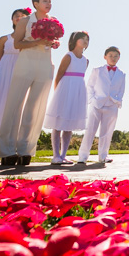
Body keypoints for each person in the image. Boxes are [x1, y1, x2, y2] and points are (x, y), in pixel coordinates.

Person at [0, 0, 56, 166]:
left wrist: (52, 43)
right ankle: (6, 150)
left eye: (50, 1)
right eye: (45, 1)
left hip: (44, 64)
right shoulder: (25, 21)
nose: (49, 4)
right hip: (25, 64)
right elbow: (17, 44)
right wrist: (38, 42)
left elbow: (49, 42)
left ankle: (26, 149)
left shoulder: (53, 21)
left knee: (35, 108)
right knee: (14, 106)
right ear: (35, 3)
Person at [0, 8, 29, 162]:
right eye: (16, 16)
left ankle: (2, 151)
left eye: (23, 16)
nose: (19, 18)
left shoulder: (29, 40)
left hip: (19, 77)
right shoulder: (4, 39)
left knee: (14, 113)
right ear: (12, 20)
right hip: (2, 77)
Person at [43, 31, 90, 164]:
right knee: (58, 123)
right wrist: (58, 93)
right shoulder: (68, 56)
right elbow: (59, 75)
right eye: (82, 38)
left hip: (77, 93)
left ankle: (63, 155)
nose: (85, 41)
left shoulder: (86, 60)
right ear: (75, 40)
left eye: (87, 39)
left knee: (69, 124)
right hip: (65, 91)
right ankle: (56, 155)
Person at [77, 46, 125, 164]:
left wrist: (117, 102)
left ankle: (103, 156)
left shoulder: (121, 74)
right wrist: (91, 100)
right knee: (90, 130)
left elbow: (121, 90)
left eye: (115, 56)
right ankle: (83, 156)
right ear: (105, 57)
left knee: (107, 132)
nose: (113, 58)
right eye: (110, 56)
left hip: (112, 105)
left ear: (119, 58)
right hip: (96, 104)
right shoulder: (97, 70)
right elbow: (90, 86)